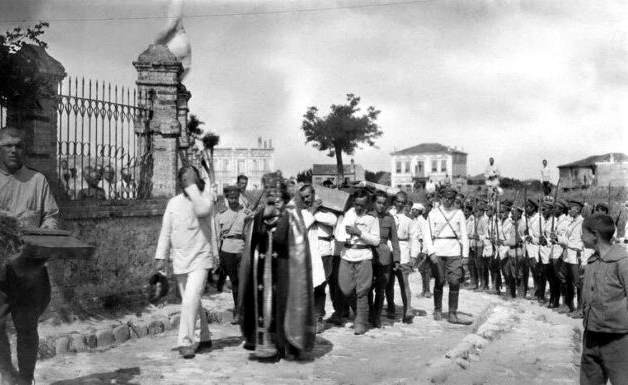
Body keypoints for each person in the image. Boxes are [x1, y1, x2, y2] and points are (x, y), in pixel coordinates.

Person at [0, 127, 60, 385]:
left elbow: (51, 216)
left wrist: (45, 232)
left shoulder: (38, 181)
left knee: (27, 329)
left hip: (29, 270)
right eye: (7, 145)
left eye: (19, 145)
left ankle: (25, 379)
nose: (14, 150)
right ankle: (7, 373)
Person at [239, 173, 315, 360]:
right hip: (263, 267)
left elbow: (283, 239)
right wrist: (262, 217)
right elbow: (254, 234)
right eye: (268, 194)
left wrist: (281, 217)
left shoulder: (292, 213)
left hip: (284, 267)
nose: (272, 198)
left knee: (283, 305)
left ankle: (287, 345)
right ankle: (264, 342)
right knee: (264, 306)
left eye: (275, 195)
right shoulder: (262, 211)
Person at [154, 165, 218, 359]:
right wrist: (160, 257)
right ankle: (204, 336)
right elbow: (166, 230)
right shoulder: (173, 203)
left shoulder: (206, 198)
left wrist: (216, 254)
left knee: (190, 299)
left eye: (191, 179)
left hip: (201, 257)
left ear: (198, 180)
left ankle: (185, 342)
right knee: (192, 301)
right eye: (184, 180)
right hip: (180, 258)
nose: (187, 182)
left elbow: (204, 211)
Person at [579, 214, 628, 385]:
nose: (581, 237)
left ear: (594, 235)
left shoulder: (623, 262)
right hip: (591, 337)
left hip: (618, 340)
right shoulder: (592, 261)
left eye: (583, 233)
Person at [422, 188, 471, 325]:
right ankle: (437, 309)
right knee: (439, 280)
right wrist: (431, 252)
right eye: (445, 198)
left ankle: (452, 313)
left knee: (455, 282)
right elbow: (427, 234)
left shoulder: (459, 213)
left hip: (454, 251)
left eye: (451, 199)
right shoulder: (433, 213)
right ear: (441, 198)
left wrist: (465, 255)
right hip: (438, 251)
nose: (448, 201)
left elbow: (464, 235)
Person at [335, 190, 380, 335]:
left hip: (364, 256)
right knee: (345, 288)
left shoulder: (372, 219)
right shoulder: (348, 213)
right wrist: (343, 235)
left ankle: (361, 322)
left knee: (362, 291)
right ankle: (360, 313)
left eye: (361, 205)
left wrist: (359, 233)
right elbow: (339, 232)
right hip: (347, 254)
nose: (358, 207)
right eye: (356, 204)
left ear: (367, 204)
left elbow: (376, 240)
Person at [299, 184, 338, 333]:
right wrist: (312, 211)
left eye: (308, 196)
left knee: (321, 287)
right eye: (303, 198)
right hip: (309, 254)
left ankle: (318, 317)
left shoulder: (327, 210)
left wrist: (314, 213)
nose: (306, 200)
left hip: (325, 253)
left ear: (314, 194)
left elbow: (333, 221)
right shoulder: (302, 213)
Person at [215, 185, 253, 324]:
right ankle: (239, 311)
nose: (233, 200)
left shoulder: (246, 213)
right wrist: (217, 255)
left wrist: (252, 217)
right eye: (230, 198)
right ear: (226, 198)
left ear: (239, 198)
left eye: (235, 197)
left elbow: (251, 230)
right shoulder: (220, 214)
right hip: (227, 251)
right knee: (235, 282)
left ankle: (243, 311)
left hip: (242, 250)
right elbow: (217, 236)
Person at [369, 191, 400, 328]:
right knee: (367, 287)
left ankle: (376, 316)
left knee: (381, 289)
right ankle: (368, 314)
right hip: (368, 255)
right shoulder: (367, 216)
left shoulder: (389, 218)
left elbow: (394, 241)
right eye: (378, 202)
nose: (381, 206)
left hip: (384, 257)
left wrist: (397, 259)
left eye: (384, 203)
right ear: (373, 203)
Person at [386, 192, 415, 323]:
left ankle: (407, 310)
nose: (400, 204)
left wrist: (413, 255)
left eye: (403, 202)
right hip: (388, 250)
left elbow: (414, 238)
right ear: (394, 201)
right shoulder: (387, 215)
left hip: (403, 252)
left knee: (404, 283)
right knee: (388, 283)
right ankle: (390, 306)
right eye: (398, 201)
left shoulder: (409, 219)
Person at [557, 200, 584, 317]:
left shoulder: (582, 223)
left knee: (578, 283)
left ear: (577, 209)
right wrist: (558, 238)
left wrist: (565, 242)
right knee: (567, 281)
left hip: (575, 256)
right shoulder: (572, 222)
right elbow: (565, 238)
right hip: (567, 256)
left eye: (570, 208)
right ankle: (569, 305)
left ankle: (580, 309)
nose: (568, 211)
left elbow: (583, 242)